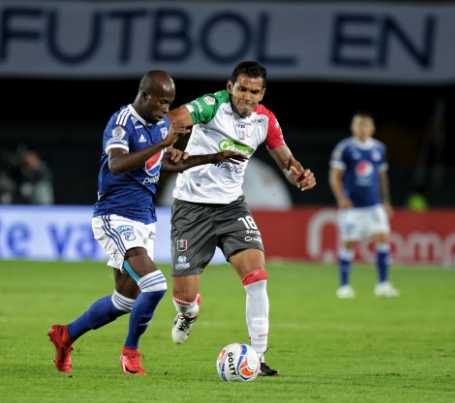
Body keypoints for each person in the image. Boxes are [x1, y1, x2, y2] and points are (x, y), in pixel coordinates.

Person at [47, 71, 246, 376]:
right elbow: (116, 164)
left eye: (170, 102)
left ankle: (66, 335)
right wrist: (162, 144)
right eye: (162, 101)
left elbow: (164, 163)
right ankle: (131, 353)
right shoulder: (122, 122)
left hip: (144, 219)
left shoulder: (161, 124)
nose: (166, 108)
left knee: (124, 301)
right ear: (145, 95)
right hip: (114, 215)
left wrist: (211, 158)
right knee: (154, 285)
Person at [167, 61, 316, 377]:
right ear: (230, 86)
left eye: (254, 91)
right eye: (242, 89)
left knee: (257, 278)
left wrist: (299, 175)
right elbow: (176, 117)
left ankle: (258, 359)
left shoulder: (266, 121)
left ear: (262, 93)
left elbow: (286, 161)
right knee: (184, 294)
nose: (247, 96)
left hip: (232, 208)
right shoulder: (212, 105)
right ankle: (187, 312)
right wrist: (173, 143)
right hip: (191, 208)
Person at [329, 112, 399, 299]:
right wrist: (341, 198)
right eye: (359, 125)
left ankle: (383, 284)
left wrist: (386, 201)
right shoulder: (345, 148)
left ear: (372, 128)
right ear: (353, 128)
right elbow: (334, 176)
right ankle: (344, 286)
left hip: (374, 205)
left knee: (383, 238)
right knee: (349, 243)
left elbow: (382, 176)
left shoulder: (379, 149)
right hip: (352, 207)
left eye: (366, 125)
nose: (362, 129)